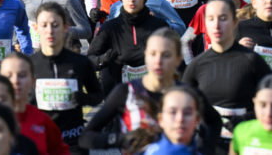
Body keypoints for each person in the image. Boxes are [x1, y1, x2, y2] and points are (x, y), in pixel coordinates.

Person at [80, 27, 219, 151]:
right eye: (153, 54)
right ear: (145, 56)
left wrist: (203, 149)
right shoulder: (126, 92)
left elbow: (214, 122)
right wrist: (120, 139)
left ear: (178, 59)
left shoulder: (187, 94)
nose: (158, 61)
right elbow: (86, 137)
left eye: (166, 55)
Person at [183, 0, 272, 148]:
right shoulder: (197, 65)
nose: (216, 25)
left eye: (223, 18)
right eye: (211, 19)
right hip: (208, 147)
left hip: (245, 144)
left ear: (235, 22)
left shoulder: (253, 61)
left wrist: (246, 118)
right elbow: (184, 108)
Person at [30, 1, 103, 149]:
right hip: (41, 140)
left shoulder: (81, 62)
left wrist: (83, 98)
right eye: (44, 25)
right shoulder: (29, 65)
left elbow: (98, 96)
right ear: (36, 28)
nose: (50, 31)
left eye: (55, 25)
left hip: (73, 140)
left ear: (66, 27)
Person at [87, 0, 168, 94]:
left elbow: (175, 59)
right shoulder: (110, 27)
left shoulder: (159, 26)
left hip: (154, 94)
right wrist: (105, 59)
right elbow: (90, 60)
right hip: (118, 94)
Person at [0, 52, 70, 155]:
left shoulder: (42, 120)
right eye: (8, 76)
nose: (15, 81)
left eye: (22, 75)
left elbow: (60, 151)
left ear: (33, 81)